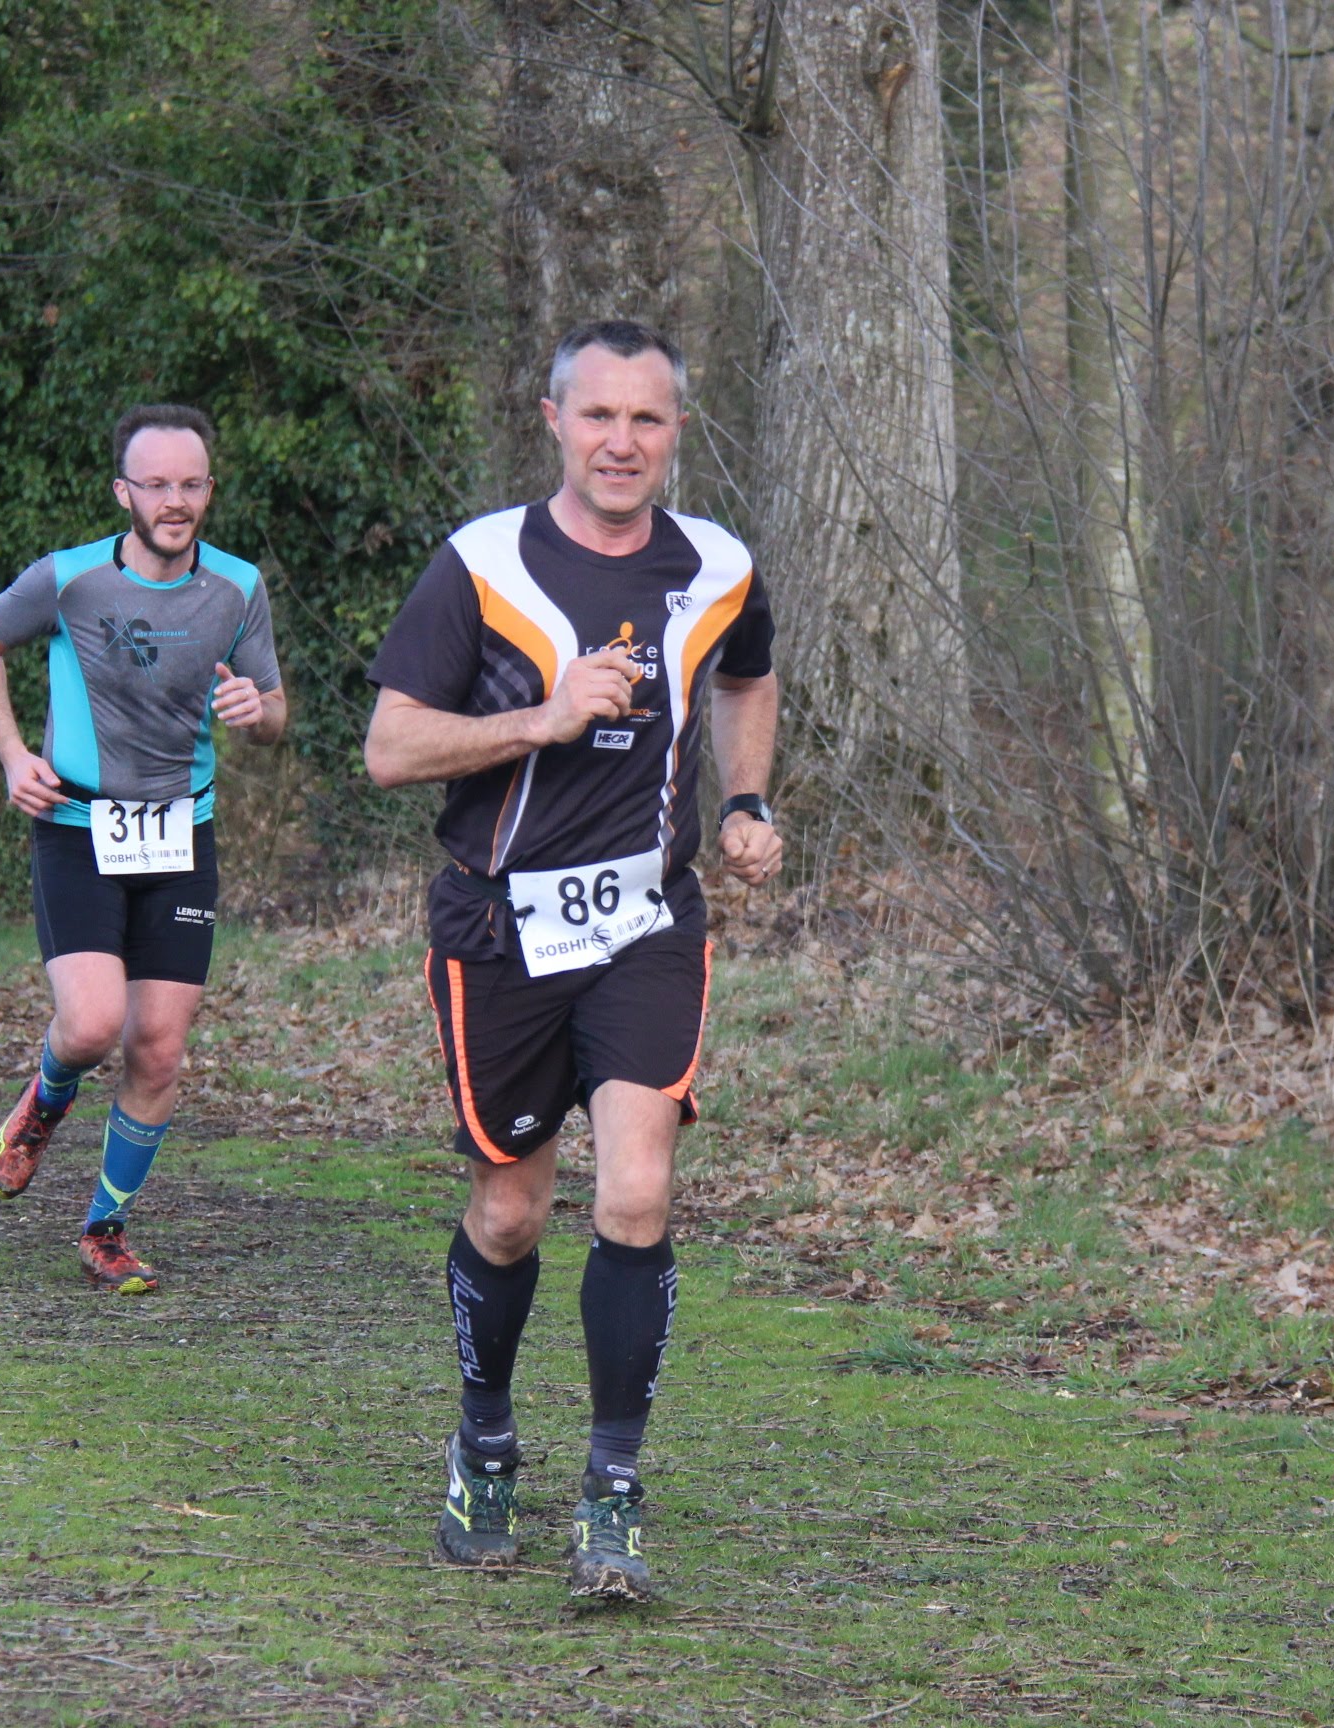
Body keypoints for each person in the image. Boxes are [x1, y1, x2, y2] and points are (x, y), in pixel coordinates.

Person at [363, 319, 781, 1600]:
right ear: (553, 421)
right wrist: (541, 718)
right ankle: (485, 1442)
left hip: (646, 923)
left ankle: (613, 1488)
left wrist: (746, 800)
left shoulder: (717, 566)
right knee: (509, 1213)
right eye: (598, 415)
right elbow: (389, 747)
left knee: (637, 1197)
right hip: (500, 930)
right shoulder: (482, 566)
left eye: (646, 418)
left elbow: (747, 677)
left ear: (678, 431)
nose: (621, 441)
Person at [0, 403, 286, 1294]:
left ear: (209, 490)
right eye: (156, 484)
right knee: (93, 1024)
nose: (175, 501)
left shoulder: (238, 587)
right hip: (77, 828)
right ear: (122, 492)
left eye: (191, 484)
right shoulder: (69, 579)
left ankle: (105, 1228)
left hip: (182, 835)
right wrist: (13, 755)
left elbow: (273, 709)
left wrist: (258, 712)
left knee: (158, 1049)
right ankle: (42, 1103)